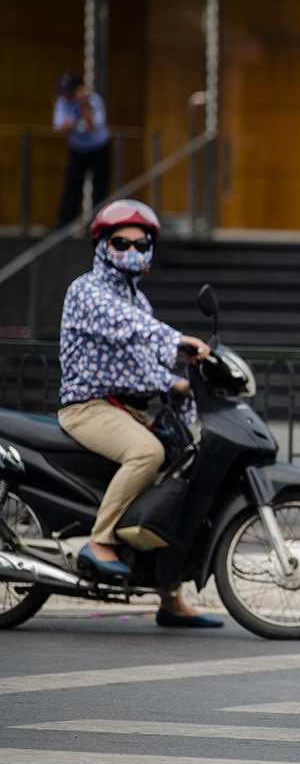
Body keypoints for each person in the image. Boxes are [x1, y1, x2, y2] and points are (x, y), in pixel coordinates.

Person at [57, 198, 220, 628]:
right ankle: (99, 540)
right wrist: (179, 340)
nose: (131, 250)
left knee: (182, 479)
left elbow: (144, 367)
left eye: (141, 243)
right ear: (102, 245)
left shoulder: (138, 300)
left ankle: (169, 595)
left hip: (128, 410)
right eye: (120, 242)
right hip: (88, 407)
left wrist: (183, 384)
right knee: (147, 453)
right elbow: (128, 325)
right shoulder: (87, 291)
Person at [52, 73, 111, 229]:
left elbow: (92, 127)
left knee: (100, 187)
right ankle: (65, 223)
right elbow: (58, 126)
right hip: (78, 149)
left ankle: (98, 223)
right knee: (73, 185)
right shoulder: (62, 102)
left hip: (98, 147)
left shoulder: (94, 101)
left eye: (71, 92)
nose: (68, 96)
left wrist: (83, 104)